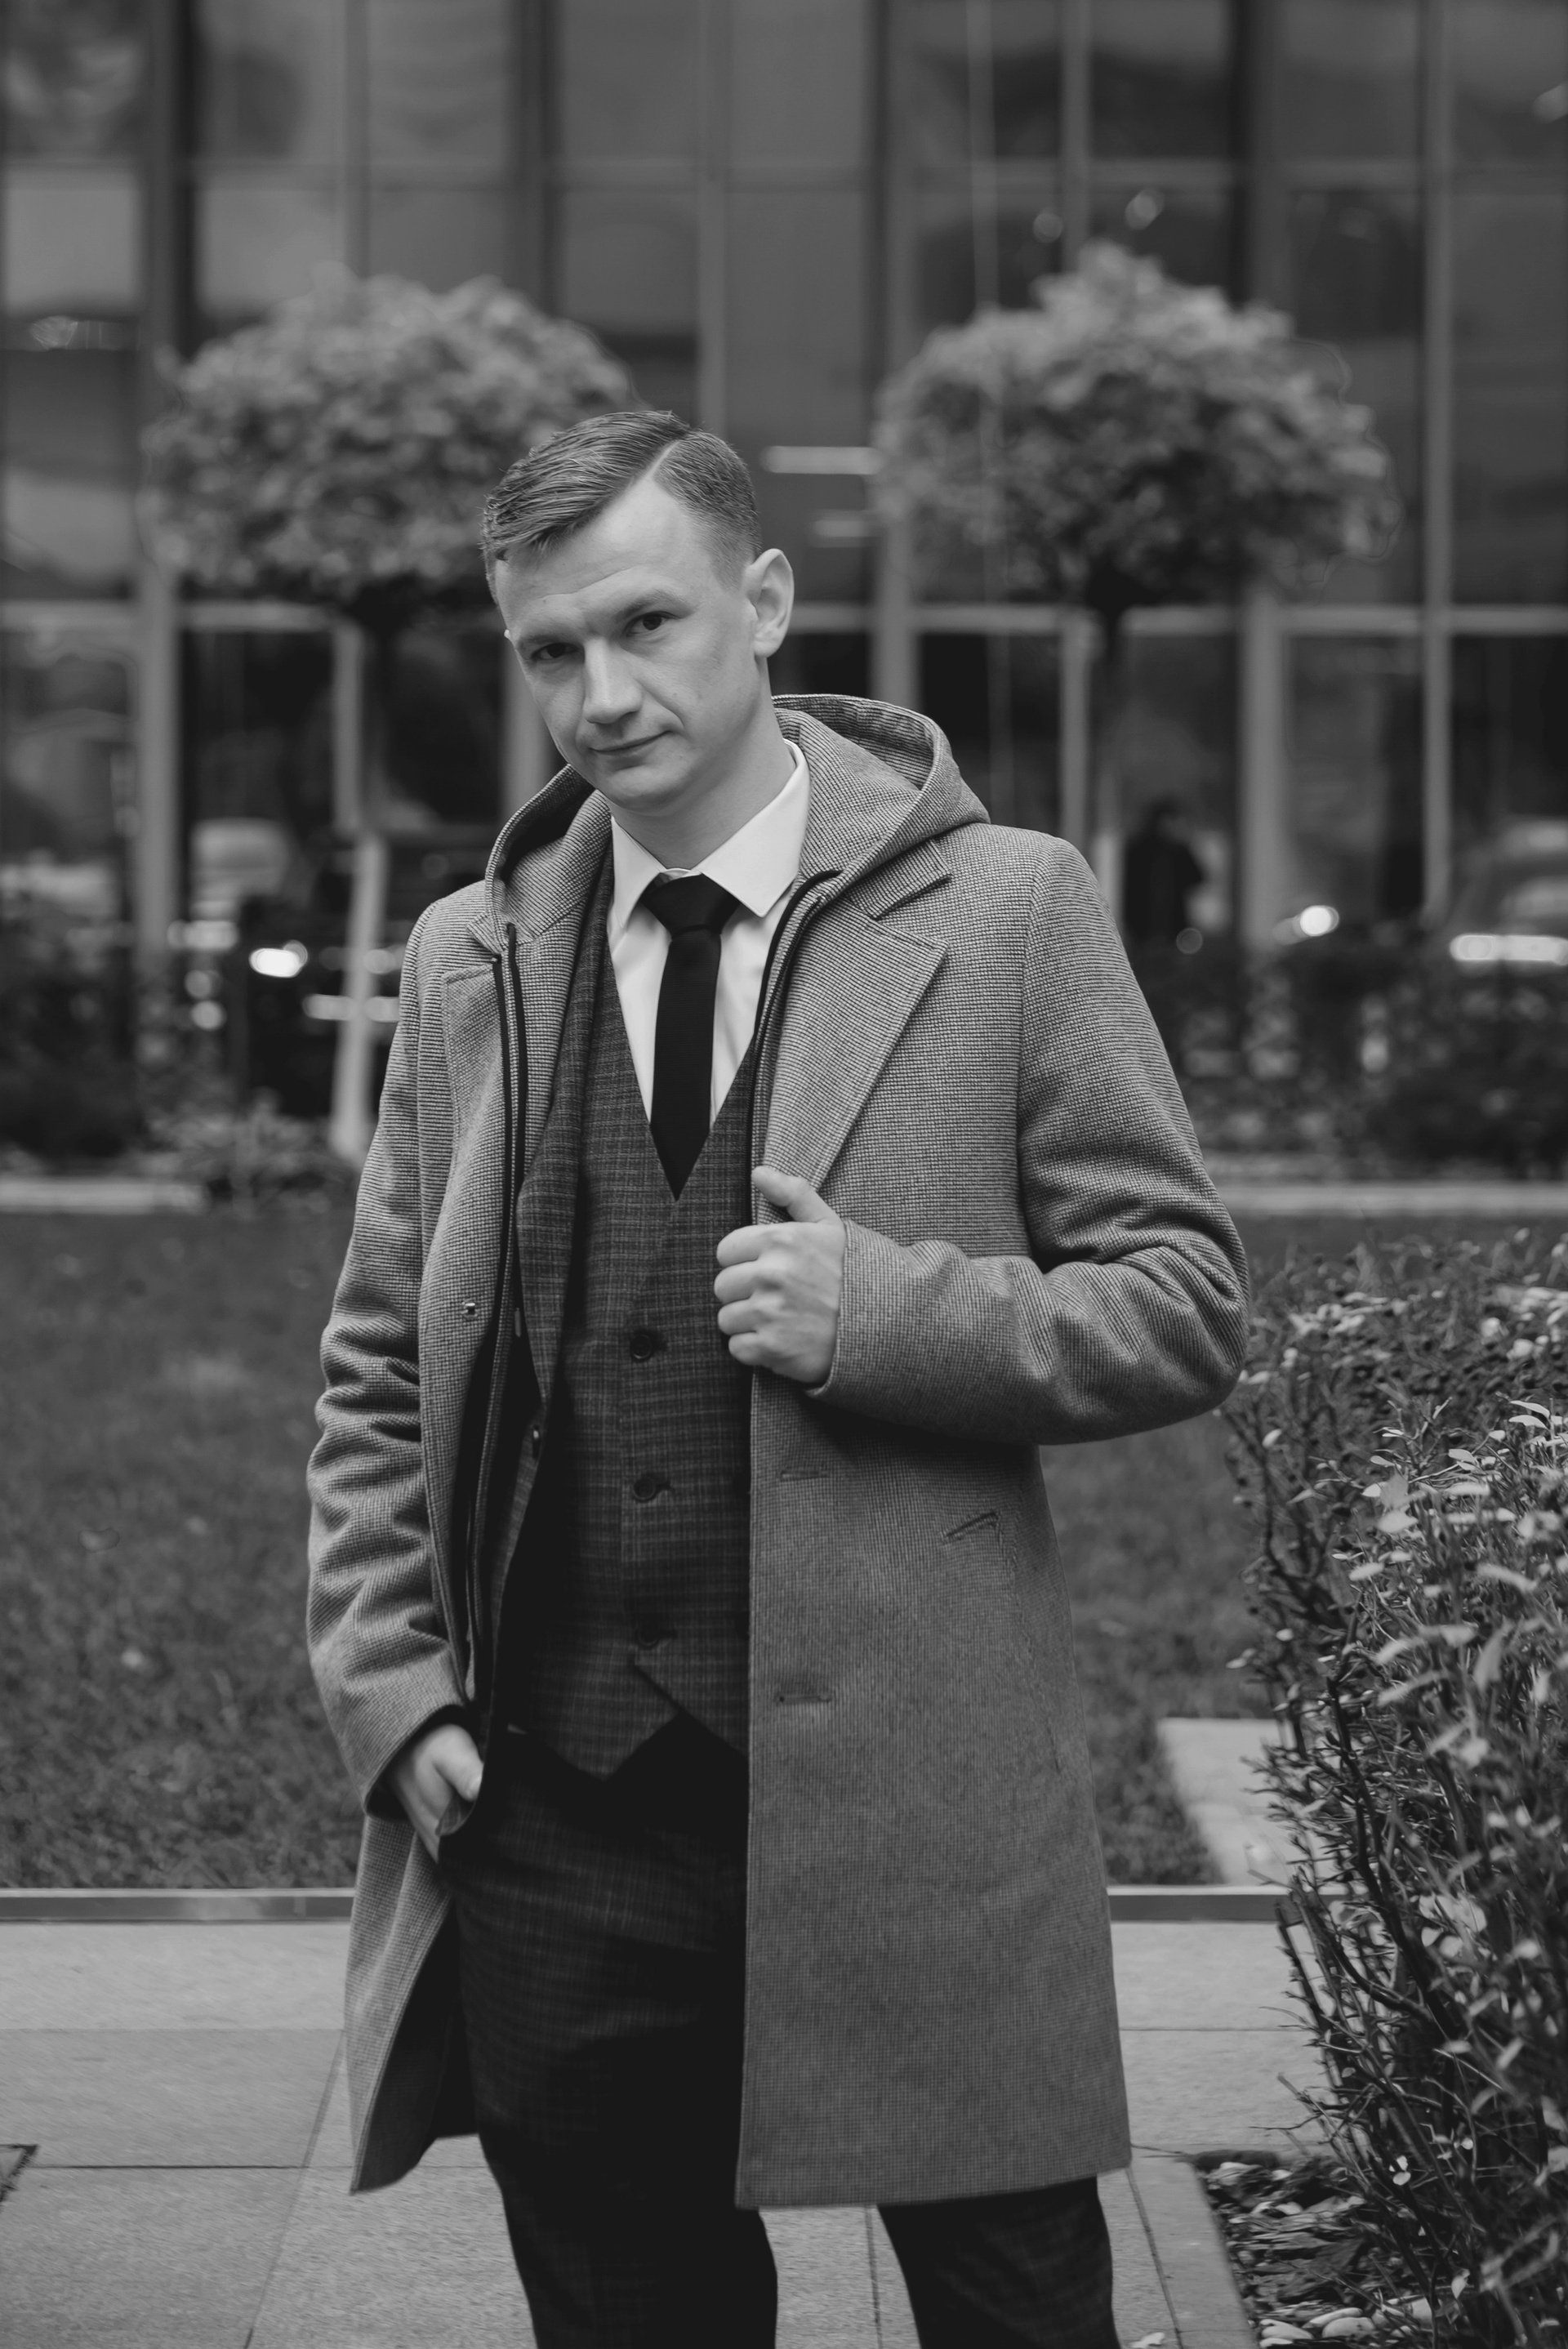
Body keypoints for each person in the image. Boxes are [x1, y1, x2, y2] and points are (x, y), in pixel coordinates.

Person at [307, 410, 1249, 2348]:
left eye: (645, 623)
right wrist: (393, 1691)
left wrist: (885, 1313)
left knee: (1016, 2314)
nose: (601, 694)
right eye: (549, 649)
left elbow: (1182, 1299)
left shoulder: (1006, 909)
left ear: (764, 599)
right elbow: (381, 1359)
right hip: (557, 1814)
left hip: (914, 1810)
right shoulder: (473, 953)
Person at [1122, 797, 1206, 947]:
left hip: (1174, 925)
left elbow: (1198, 878)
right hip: (1141, 925)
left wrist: (1187, 843)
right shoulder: (1139, 850)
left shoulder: (1179, 852)